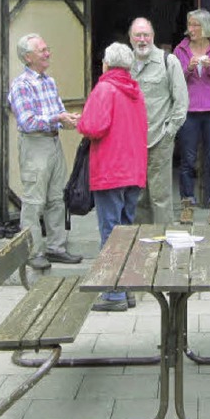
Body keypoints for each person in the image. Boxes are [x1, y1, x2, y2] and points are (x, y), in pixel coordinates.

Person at [78, 43, 148, 311]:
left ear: (106, 64)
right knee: (126, 231)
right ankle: (127, 288)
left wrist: (80, 121)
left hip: (111, 169)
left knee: (110, 233)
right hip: (133, 169)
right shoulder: (135, 91)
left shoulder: (105, 89)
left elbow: (93, 127)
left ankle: (114, 293)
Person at [8, 33, 83, 271]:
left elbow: (58, 112)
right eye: (42, 50)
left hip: (52, 143)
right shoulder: (21, 85)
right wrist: (58, 118)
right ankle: (32, 252)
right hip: (34, 145)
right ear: (28, 57)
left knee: (56, 198)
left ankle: (56, 248)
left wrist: (68, 119)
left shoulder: (48, 82)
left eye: (47, 48)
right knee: (33, 201)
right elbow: (27, 122)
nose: (48, 53)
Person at [173, 8, 210, 226]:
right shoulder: (181, 49)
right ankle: (187, 204)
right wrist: (187, 69)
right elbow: (175, 80)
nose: (191, 29)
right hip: (189, 111)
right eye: (190, 24)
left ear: (205, 27)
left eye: (196, 25)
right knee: (187, 160)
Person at [129, 17, 188, 225]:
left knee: (160, 197)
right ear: (131, 38)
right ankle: (141, 244)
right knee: (137, 197)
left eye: (146, 35)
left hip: (159, 139)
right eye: (138, 35)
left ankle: (164, 243)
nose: (142, 40)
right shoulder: (125, 64)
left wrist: (169, 133)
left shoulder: (168, 61)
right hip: (132, 143)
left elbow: (181, 102)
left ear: (152, 37)